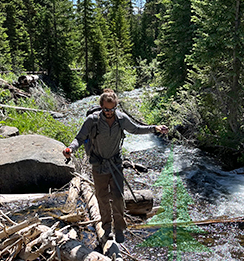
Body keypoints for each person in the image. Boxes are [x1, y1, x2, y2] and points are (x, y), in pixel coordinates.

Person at [63, 89, 168, 246]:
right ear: (101, 107)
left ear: (116, 107)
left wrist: (155, 128)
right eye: (106, 109)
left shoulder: (121, 119)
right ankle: (106, 228)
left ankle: (119, 228)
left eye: (112, 109)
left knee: (118, 197)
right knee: (103, 198)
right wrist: (70, 149)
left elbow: (136, 129)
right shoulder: (92, 120)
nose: (109, 112)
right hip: (98, 165)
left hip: (116, 164)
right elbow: (80, 138)